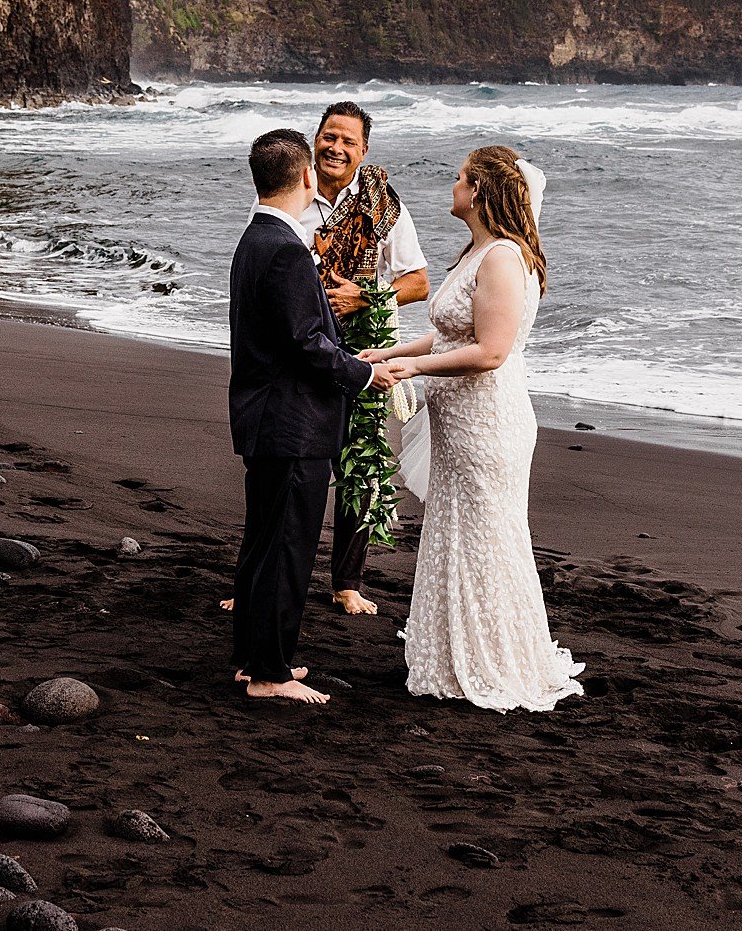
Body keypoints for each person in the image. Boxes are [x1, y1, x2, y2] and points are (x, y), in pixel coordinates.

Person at [370, 146, 583, 712]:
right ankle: (449, 657)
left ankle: (497, 661)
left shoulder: (504, 260)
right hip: (459, 427)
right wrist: (387, 352)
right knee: (454, 531)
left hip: (489, 425)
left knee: (488, 537)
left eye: (461, 178)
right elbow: (447, 338)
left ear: (483, 192)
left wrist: (412, 367)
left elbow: (490, 352)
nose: (453, 183)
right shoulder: (477, 252)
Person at [226, 127, 400, 705]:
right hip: (291, 423)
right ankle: (270, 674)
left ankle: (253, 658)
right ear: (305, 176)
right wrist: (366, 373)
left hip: (266, 417)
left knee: (262, 543)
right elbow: (307, 343)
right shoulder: (285, 248)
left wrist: (353, 362)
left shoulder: (255, 238)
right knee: (286, 549)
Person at [304, 101, 429, 615]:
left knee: (359, 463)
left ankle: (347, 583)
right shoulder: (294, 189)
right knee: (295, 462)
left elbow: (419, 283)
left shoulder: (382, 203)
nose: (335, 147)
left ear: (364, 151)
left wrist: (366, 296)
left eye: (347, 141)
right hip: (303, 343)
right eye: (329, 136)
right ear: (316, 139)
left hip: (363, 348)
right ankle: (265, 575)